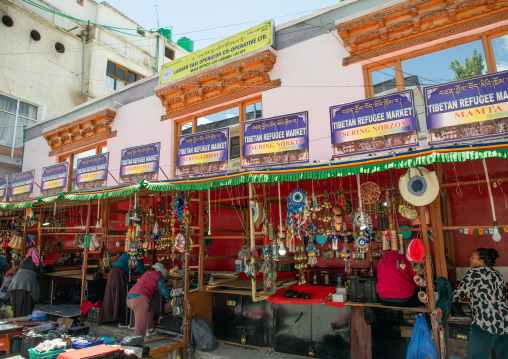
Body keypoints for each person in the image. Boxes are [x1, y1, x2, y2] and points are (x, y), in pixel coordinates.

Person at [453, 248, 508, 358]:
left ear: (481, 262)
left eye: (473, 257)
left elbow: (456, 296)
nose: (470, 259)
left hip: (485, 321)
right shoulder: (498, 274)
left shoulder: (473, 273)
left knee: (475, 355)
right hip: (505, 321)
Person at [126, 263, 171, 339]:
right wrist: (169, 299)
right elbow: (164, 291)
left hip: (130, 297)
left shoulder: (147, 273)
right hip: (139, 298)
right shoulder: (159, 276)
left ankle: (149, 329)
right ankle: (137, 341)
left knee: (150, 307)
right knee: (140, 323)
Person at [102, 251, 146, 327]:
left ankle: (113, 318)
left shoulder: (131, 252)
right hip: (118, 274)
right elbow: (140, 268)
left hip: (114, 272)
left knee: (113, 295)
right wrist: (150, 273)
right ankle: (122, 321)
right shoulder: (139, 253)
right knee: (120, 295)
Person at [8, 248, 42, 317]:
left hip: (16, 281)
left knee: (17, 301)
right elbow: (41, 271)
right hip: (28, 283)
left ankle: (16, 319)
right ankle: (26, 318)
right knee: (27, 302)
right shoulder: (36, 261)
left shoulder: (23, 260)